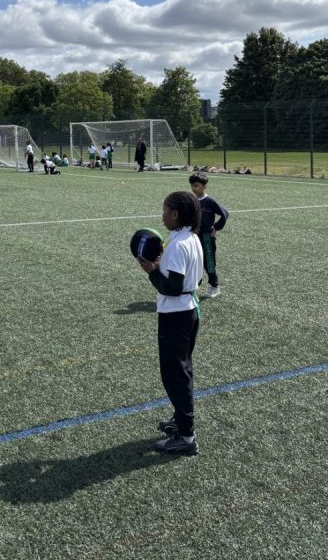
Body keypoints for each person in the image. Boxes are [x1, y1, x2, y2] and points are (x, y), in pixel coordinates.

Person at [136, 190, 203, 457]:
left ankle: (186, 437)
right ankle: (181, 421)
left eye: (165, 210)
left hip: (176, 314)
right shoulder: (191, 238)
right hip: (189, 310)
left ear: (175, 214)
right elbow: (193, 279)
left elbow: (172, 288)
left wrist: (151, 271)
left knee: (175, 374)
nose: (162, 215)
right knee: (182, 370)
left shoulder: (177, 245)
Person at [188, 172, 229, 298]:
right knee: (194, 260)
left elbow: (225, 214)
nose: (194, 188)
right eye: (192, 186)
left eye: (196, 185)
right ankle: (193, 285)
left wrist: (215, 228)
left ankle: (214, 286)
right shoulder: (191, 200)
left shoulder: (210, 201)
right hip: (194, 236)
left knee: (208, 261)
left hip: (206, 237)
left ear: (205, 186)